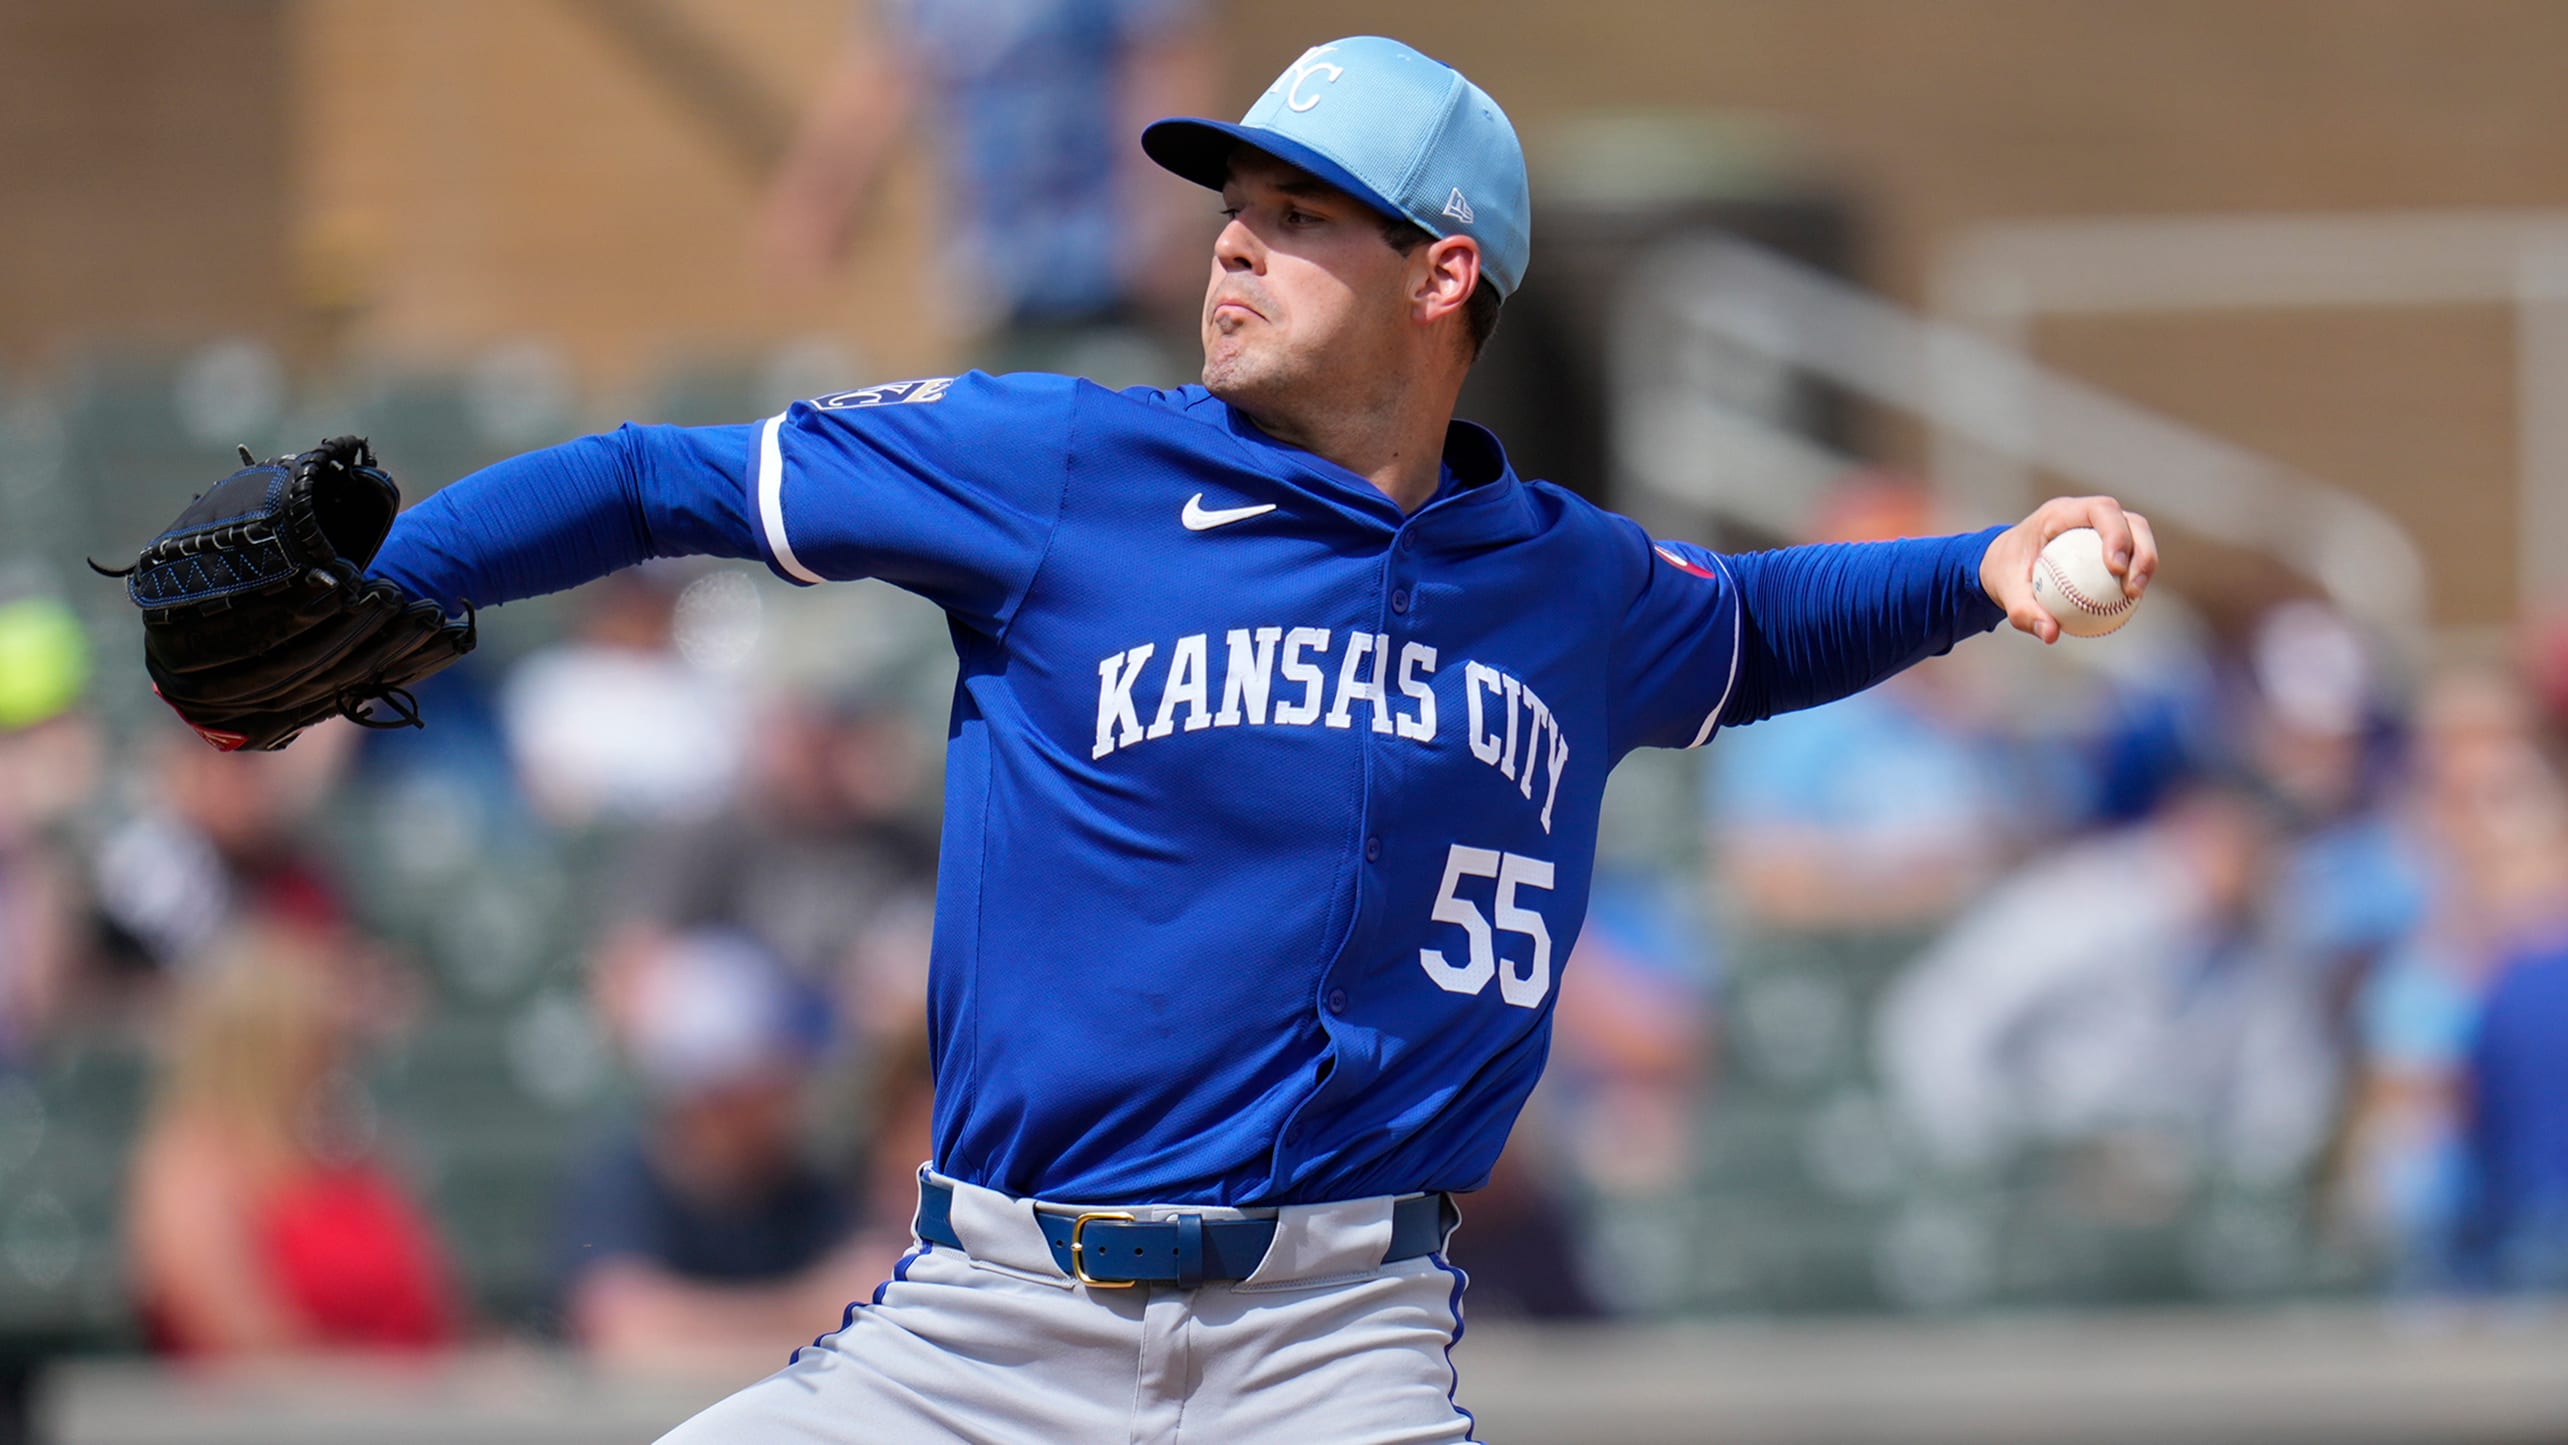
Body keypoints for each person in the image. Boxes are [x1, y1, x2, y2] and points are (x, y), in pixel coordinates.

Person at [346, 35, 2153, 1442]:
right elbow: (665, 477)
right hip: (989, 1324)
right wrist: (399, 581)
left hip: (1333, 1341)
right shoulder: (1061, 467)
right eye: (1234, 203)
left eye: (1299, 214)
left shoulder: (1568, 585)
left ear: (1441, 274)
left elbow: (1752, 627)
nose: (1233, 240)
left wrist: (1974, 571)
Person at [126, 921, 457, 1355]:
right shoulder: (193, 1166)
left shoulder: (358, 1158)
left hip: (417, 1404)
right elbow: (245, 1345)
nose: (339, 1061)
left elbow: (439, 1306)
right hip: (281, 1417)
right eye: (322, 1043)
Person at [552, 930, 875, 1364]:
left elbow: (871, 1302)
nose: (788, 1097)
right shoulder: (618, 1184)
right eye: (760, 1083)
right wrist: (806, 1309)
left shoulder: (812, 1187)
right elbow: (628, 1330)